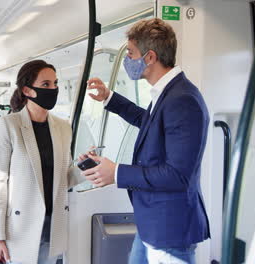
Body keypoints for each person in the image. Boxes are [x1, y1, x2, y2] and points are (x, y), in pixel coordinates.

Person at [81, 18, 211, 264]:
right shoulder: (168, 93)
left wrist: (116, 172)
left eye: (130, 54)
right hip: (152, 222)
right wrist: (110, 98)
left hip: (170, 229)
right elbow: (149, 122)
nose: (127, 61)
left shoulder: (183, 100)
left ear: (150, 57)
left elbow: (177, 175)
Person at [0, 60, 84, 264]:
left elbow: (63, 179)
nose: (53, 89)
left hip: (52, 226)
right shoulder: (8, 126)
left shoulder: (63, 128)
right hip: (17, 228)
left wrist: (85, 168)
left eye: (55, 83)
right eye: (46, 85)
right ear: (27, 90)